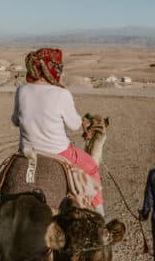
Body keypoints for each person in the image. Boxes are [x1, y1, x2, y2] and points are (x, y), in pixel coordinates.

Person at [11, 47, 104, 216]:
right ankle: (100, 215)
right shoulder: (62, 94)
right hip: (58, 151)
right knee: (91, 167)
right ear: (53, 69)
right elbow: (75, 125)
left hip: (27, 150)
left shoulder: (22, 90)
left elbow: (15, 121)